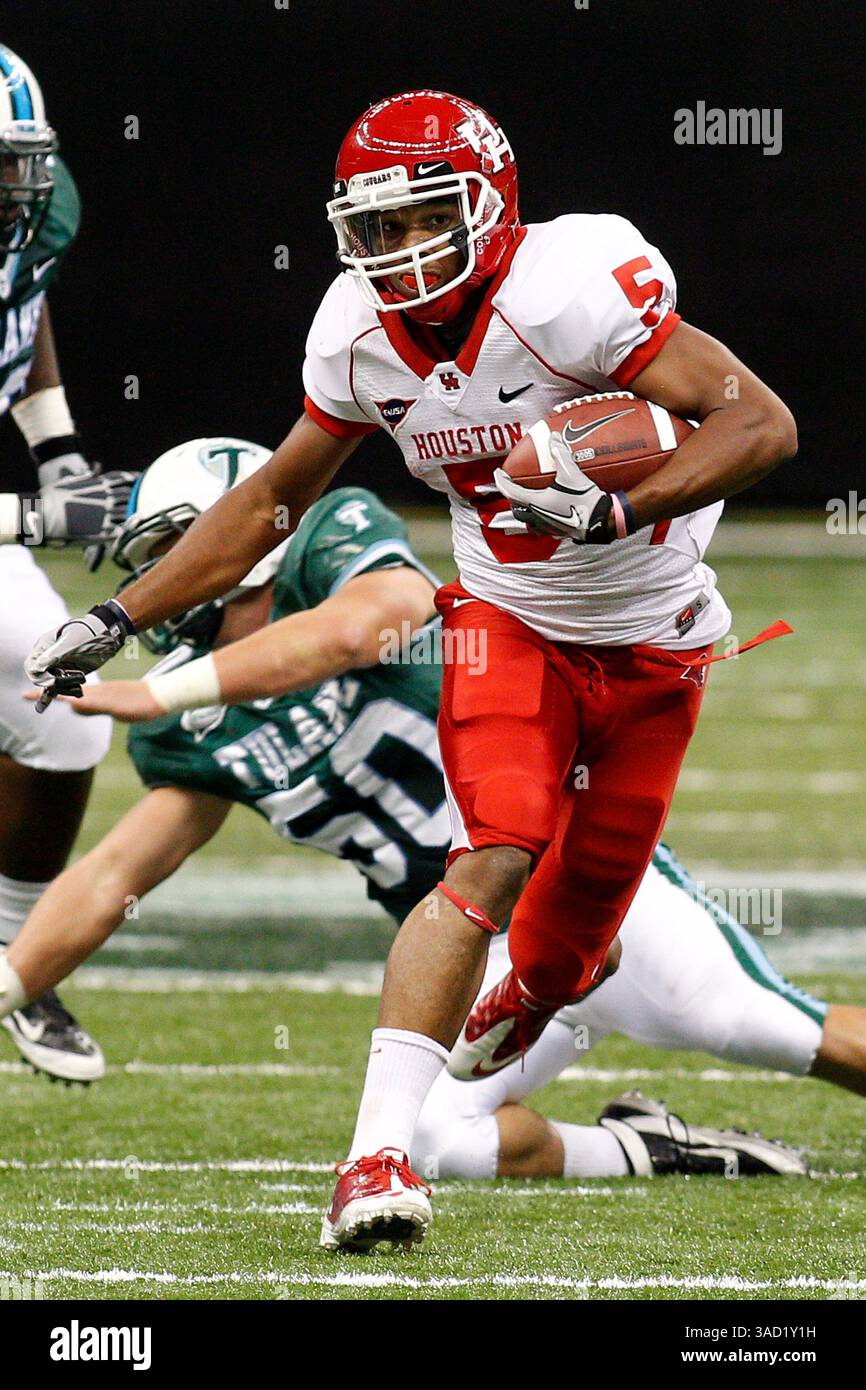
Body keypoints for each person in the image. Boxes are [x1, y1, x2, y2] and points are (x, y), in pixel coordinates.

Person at [23, 91, 798, 1249]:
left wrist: (612, 504)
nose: (393, 250)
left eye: (418, 218)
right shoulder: (355, 333)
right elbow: (274, 495)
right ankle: (376, 1160)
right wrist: (120, 613)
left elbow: (759, 424)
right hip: (505, 622)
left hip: (656, 645)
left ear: (489, 205)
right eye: (371, 228)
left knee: (572, 952)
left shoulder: (571, 288)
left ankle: (533, 991)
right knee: (488, 853)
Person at [0, 43, 134, 1082]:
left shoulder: (33, 208)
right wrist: (35, 513)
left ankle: (13, 950)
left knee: (59, 692)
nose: (9, 187)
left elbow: (23, 297)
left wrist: (60, 451)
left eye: (13, 162)